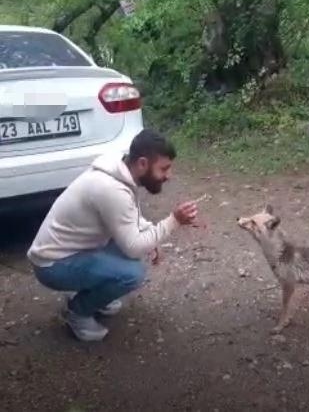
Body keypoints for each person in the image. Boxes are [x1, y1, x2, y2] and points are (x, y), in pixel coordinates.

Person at [27, 128, 198, 342]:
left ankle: (92, 294)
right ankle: (77, 311)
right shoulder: (111, 188)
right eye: (164, 169)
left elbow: (127, 216)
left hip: (72, 251)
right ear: (142, 163)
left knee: (137, 249)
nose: (168, 176)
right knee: (132, 272)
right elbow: (133, 246)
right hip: (53, 265)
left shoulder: (119, 170)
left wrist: (148, 231)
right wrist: (173, 221)